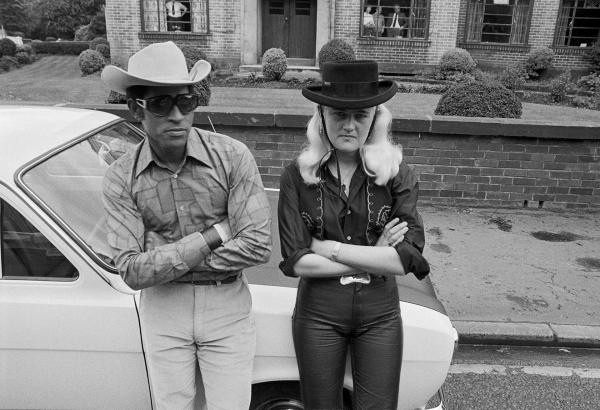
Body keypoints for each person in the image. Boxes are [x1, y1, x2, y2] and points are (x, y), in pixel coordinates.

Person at [101, 41, 272, 410]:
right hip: (164, 310)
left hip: (227, 304)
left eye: (186, 101)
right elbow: (131, 269)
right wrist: (218, 233)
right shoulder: (120, 178)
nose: (177, 114)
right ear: (136, 108)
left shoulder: (232, 157)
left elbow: (258, 245)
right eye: (162, 104)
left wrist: (161, 253)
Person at [278, 60, 430, 409]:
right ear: (321, 116)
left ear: (376, 119)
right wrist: (373, 256)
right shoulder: (297, 176)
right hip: (318, 314)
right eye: (338, 114)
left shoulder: (396, 175)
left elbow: (405, 257)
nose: (349, 125)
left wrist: (328, 247)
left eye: (361, 115)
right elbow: (297, 261)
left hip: (379, 315)